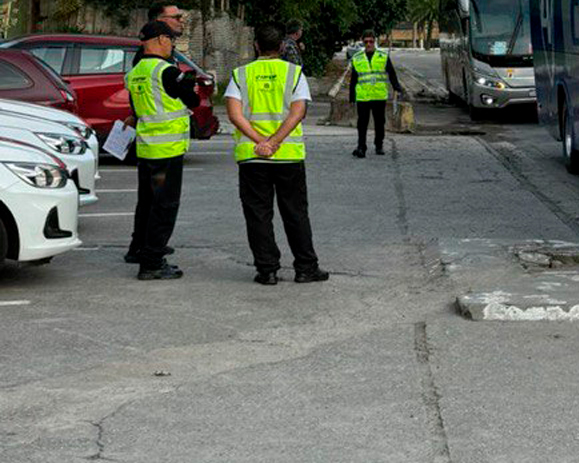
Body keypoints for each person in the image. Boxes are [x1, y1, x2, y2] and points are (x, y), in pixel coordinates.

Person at [224, 23, 329, 285]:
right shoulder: (294, 73)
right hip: (288, 155)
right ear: (282, 47)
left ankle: (267, 270)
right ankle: (306, 268)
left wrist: (261, 142)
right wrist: (275, 142)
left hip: (252, 156)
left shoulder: (240, 74)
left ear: (256, 45)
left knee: (258, 214)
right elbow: (298, 113)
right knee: (295, 213)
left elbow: (234, 115)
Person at [124, 21, 199, 280]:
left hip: (146, 149)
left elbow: (135, 109)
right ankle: (152, 262)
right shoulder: (166, 71)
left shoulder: (135, 72)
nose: (172, 45)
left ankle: (139, 249)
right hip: (167, 151)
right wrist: (190, 85)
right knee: (164, 206)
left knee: (147, 203)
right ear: (160, 39)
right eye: (171, 39)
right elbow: (192, 100)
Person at [348, 30, 405, 158]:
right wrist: (352, 96)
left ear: (375, 42)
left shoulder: (382, 56)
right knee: (362, 123)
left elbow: (391, 73)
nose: (368, 44)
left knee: (379, 123)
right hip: (363, 96)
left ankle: (379, 144)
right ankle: (361, 147)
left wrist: (397, 87)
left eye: (371, 41)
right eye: (366, 42)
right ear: (363, 42)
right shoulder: (357, 58)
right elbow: (354, 79)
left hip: (379, 95)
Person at [131, 1, 186, 66]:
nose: (182, 20)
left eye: (181, 17)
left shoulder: (167, 52)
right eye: (177, 17)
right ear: (158, 19)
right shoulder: (149, 57)